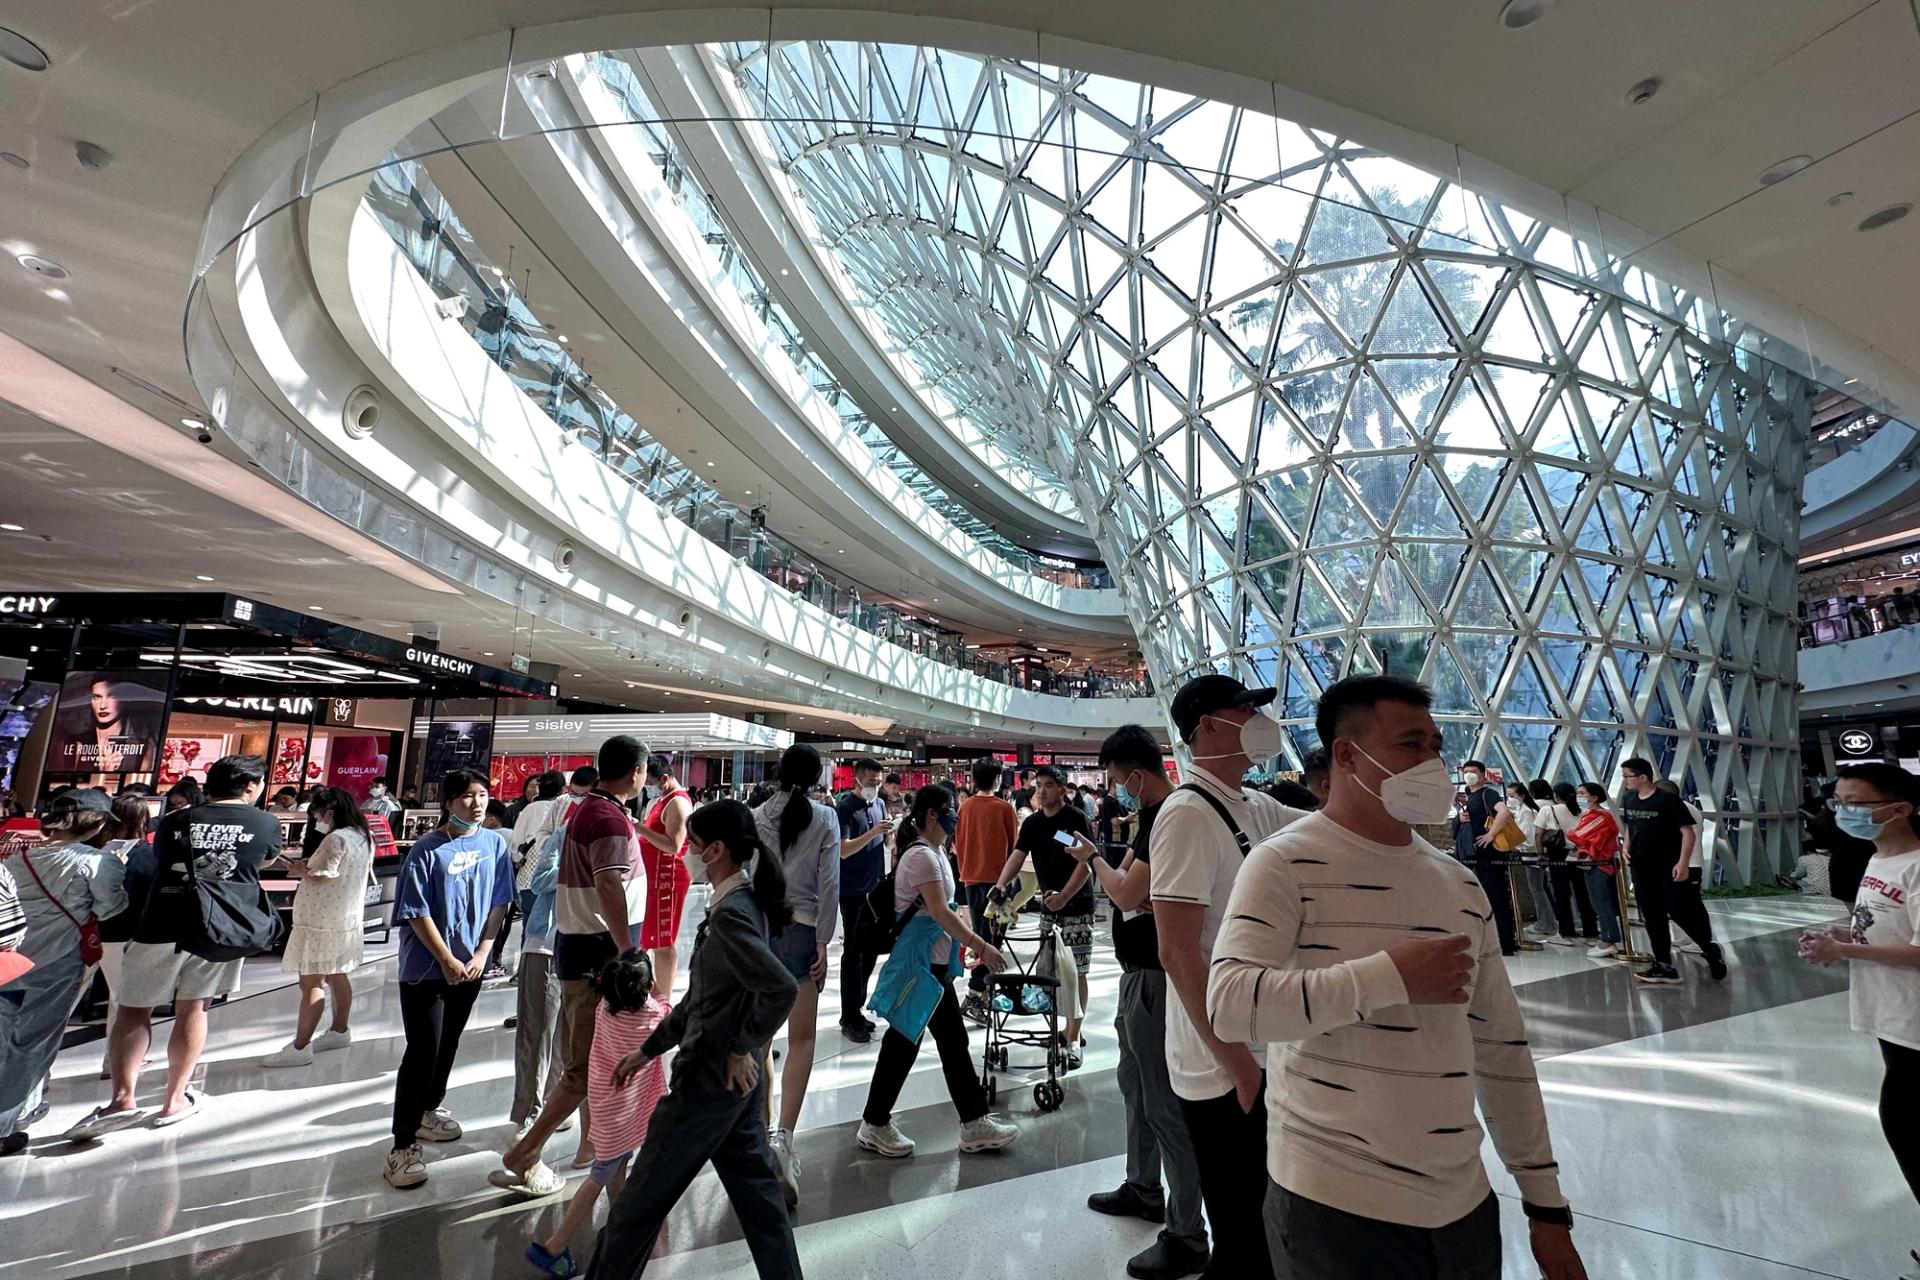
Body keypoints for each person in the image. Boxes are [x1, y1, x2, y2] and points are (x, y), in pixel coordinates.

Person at [1208, 674, 1587, 1280]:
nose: (1432, 763)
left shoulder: (1458, 883)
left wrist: (1544, 1202)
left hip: (1463, 1204)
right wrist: (1387, 977)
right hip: (1332, 1206)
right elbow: (1230, 1003)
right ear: (1348, 755)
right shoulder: (1280, 862)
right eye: (1411, 745)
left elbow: (1501, 1048)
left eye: (1436, 746)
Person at [584, 800, 801, 1279]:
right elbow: (705, 999)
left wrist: (742, 1046)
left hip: (704, 1083)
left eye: (694, 845)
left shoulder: (733, 916)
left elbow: (780, 988)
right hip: (733, 1091)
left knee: (636, 1207)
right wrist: (647, 1050)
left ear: (717, 850)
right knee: (761, 1203)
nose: (684, 852)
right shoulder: (742, 904)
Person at [1149, 673, 1305, 1278]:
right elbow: (1176, 951)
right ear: (1209, 727)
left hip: (1261, 1046)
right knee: (1243, 1230)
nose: (1257, 719)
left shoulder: (1253, 802)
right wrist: (1236, 1060)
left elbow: (1328, 822)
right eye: (1245, 709)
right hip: (1220, 1062)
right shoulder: (1186, 814)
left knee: (1265, 1224)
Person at [68, 755, 275, 1140]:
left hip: (160, 921)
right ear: (250, 787)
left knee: (133, 1008)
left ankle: (122, 1098)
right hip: (218, 926)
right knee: (194, 1007)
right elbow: (262, 861)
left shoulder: (175, 821)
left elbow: (163, 860)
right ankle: (174, 1099)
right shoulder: (264, 823)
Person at [1069, 725, 1210, 1280]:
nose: (1113, 789)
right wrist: (1110, 865)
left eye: (1114, 779)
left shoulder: (1170, 815)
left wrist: (1092, 862)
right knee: (1135, 1086)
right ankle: (1144, 1185)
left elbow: (1127, 891)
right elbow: (1132, 883)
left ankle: (1186, 1232)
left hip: (1156, 977)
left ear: (1134, 773)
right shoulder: (1151, 819)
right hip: (1138, 977)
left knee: (1163, 1103)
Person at [497, 735, 649, 1198]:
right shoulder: (606, 817)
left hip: (582, 949)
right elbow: (608, 885)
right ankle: (525, 1154)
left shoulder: (589, 809)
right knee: (583, 1066)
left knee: (595, 1061)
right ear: (636, 772)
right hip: (597, 955)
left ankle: (595, 1147)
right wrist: (627, 950)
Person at [857, 785, 1017, 1159]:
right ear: (932, 814)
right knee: (906, 1044)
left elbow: (946, 909)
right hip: (919, 965)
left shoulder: (937, 853)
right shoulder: (922, 858)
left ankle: (971, 1122)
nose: (956, 816)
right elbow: (940, 912)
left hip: (933, 964)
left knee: (942, 1043)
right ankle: (877, 1123)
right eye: (951, 810)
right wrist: (981, 945)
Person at [1798, 761, 1920, 1238]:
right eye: (1839, 802)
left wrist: (1844, 949)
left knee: (1907, 1129)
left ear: (1900, 809)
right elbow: (1885, 926)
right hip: (1892, 1015)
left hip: (1916, 1021)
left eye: (1856, 804)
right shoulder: (1877, 859)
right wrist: (1841, 934)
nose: (1844, 812)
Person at [382, 768, 514, 1188]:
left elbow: (499, 902)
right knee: (423, 1049)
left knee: (449, 1042)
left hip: (470, 967)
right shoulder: (426, 849)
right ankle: (401, 1147)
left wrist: (481, 953)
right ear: (448, 802)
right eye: (466, 797)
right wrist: (445, 957)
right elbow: (415, 910)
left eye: (482, 795)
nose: (476, 804)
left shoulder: (494, 844)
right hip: (425, 969)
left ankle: (428, 1111)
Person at [524, 950, 670, 1277]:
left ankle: (622, 1222)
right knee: (601, 1174)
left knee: (616, 1166)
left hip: (605, 1106)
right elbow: (668, 1014)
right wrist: (658, 987)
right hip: (625, 1115)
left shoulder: (604, 1007)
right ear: (644, 989)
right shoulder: (649, 1017)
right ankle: (554, 1246)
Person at [0, 789, 125, 1155]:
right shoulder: (99, 863)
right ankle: (6, 1123)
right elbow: (111, 906)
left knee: (6, 1035)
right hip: (58, 961)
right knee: (34, 1041)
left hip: (10, 960)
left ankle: (23, 1108)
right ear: (96, 823)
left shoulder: (18, 857)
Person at [750, 743, 841, 1206]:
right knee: (801, 1038)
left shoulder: (758, 814)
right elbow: (829, 885)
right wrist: (824, 941)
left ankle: (760, 1133)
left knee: (760, 1040)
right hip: (803, 934)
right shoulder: (826, 818)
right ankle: (785, 1137)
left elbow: (748, 875)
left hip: (762, 930)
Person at [262, 788, 373, 1067]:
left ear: (329, 813)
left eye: (316, 815)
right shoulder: (362, 837)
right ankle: (339, 1029)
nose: (316, 821)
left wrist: (301, 870)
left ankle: (300, 1046)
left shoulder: (336, 839)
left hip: (320, 920)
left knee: (311, 982)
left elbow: (323, 876)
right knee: (338, 974)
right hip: (345, 918)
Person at [993, 765, 1095, 1065]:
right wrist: (1001, 884)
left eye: (1049, 785)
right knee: (1050, 973)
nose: (1042, 790)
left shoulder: (1073, 820)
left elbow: (1085, 863)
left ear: (1063, 789)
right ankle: (1062, 1029)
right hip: (1050, 907)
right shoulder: (1034, 824)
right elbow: (1018, 854)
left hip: (1076, 905)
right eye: (1039, 784)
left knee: (1077, 972)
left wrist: (1065, 896)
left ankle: (1073, 1036)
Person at [1618, 758, 1726, 984]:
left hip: (1666, 866)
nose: (1624, 781)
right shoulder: (1630, 799)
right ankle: (1664, 964)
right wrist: (1626, 846)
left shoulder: (1667, 801)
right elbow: (1631, 826)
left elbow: (1688, 833)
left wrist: (1683, 862)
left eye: (1627, 776)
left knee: (1679, 911)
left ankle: (1709, 948)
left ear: (1643, 777)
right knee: (1652, 917)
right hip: (1641, 867)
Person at [954, 757, 1019, 1023]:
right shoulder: (1004, 809)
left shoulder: (964, 807)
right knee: (992, 939)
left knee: (981, 936)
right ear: (996, 778)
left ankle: (980, 995)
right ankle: (974, 994)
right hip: (998, 884)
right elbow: (1015, 848)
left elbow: (958, 844)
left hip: (971, 878)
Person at [834, 757, 892, 1043]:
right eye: (870, 782)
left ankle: (855, 1010)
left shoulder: (880, 804)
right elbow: (843, 850)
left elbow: (881, 842)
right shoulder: (844, 807)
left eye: (879, 782)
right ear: (857, 779)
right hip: (852, 890)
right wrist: (873, 832)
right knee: (854, 954)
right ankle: (849, 1015)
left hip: (875, 888)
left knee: (869, 952)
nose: (875, 786)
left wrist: (887, 837)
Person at [636, 755, 693, 1000]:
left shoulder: (677, 803)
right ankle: (649, 993)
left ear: (665, 779)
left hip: (666, 879)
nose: (646, 787)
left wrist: (638, 827)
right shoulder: (662, 800)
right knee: (648, 938)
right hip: (653, 878)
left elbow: (673, 845)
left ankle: (664, 999)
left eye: (649, 782)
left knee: (663, 940)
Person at [1452, 760, 1518, 955]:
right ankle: (1492, 939)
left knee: (1496, 896)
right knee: (1484, 896)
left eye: (1473, 772)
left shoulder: (1487, 794)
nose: (1469, 775)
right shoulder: (1470, 797)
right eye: (1466, 772)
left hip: (1488, 854)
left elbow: (1504, 812)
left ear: (1483, 775)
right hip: (1474, 854)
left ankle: (1506, 942)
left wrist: (1490, 834)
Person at [1529, 780, 1592, 947]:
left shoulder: (1548, 810)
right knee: (1582, 893)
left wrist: (1541, 853)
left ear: (1556, 796)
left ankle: (1566, 932)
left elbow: (1538, 834)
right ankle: (1590, 931)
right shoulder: (1582, 811)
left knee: (1561, 894)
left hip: (1556, 854)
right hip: (1578, 853)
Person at [1567, 783, 1624, 958]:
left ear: (1594, 797)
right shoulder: (1591, 815)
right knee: (1597, 901)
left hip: (1600, 863)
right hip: (1594, 862)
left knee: (1601, 901)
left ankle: (1609, 939)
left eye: (1582, 793)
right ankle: (1606, 937)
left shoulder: (1599, 816)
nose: (1579, 797)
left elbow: (1577, 834)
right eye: (1578, 793)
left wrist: (1572, 833)